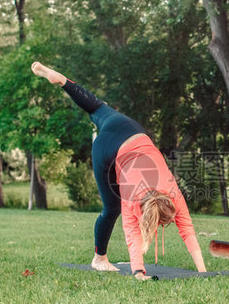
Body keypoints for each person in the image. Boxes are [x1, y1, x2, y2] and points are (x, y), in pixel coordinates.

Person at [31, 62, 207, 280]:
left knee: (96, 107)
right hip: (107, 150)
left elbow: (180, 228)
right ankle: (99, 259)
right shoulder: (135, 198)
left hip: (126, 128)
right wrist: (138, 272)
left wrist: (203, 273)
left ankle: (64, 81)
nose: (169, 225)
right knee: (111, 209)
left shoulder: (170, 190)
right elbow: (138, 232)